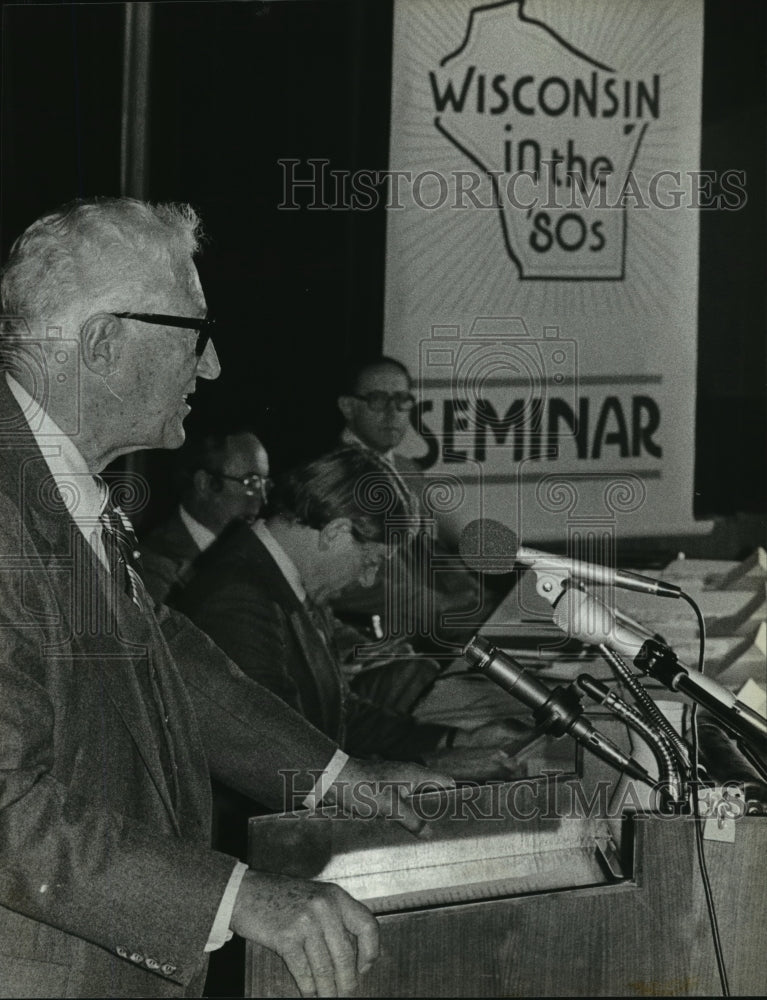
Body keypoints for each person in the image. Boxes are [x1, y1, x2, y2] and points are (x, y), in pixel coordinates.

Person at [0, 197, 448, 999]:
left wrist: (335, 775)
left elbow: (156, 651)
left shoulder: (50, 478)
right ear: (104, 343)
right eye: (195, 337)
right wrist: (235, 897)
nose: (209, 369)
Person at [174, 446, 529, 777]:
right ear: (337, 532)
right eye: (372, 561)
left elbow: (338, 716)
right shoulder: (238, 597)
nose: (367, 578)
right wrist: (428, 766)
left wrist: (452, 741)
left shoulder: (280, 577)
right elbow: (274, 761)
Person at [333, 355, 483, 696]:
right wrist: (445, 606)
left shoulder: (407, 469)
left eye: (402, 401)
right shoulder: (333, 476)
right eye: (377, 400)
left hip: (428, 627)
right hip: (380, 641)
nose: (393, 412)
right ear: (347, 406)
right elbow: (349, 582)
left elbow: (432, 547)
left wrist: (468, 590)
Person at [140, 425, 270, 604]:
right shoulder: (153, 566)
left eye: (265, 484)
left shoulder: (252, 556)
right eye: (251, 482)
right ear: (204, 483)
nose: (263, 499)